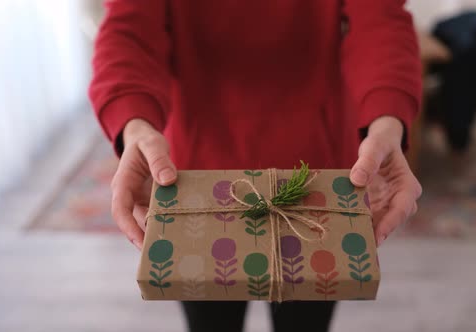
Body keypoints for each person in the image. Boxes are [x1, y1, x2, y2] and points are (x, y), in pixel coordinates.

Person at [89, 1, 422, 331]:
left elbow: (379, 21)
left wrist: (387, 122)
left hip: (315, 183)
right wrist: (135, 126)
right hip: (194, 186)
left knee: (305, 322)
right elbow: (130, 30)